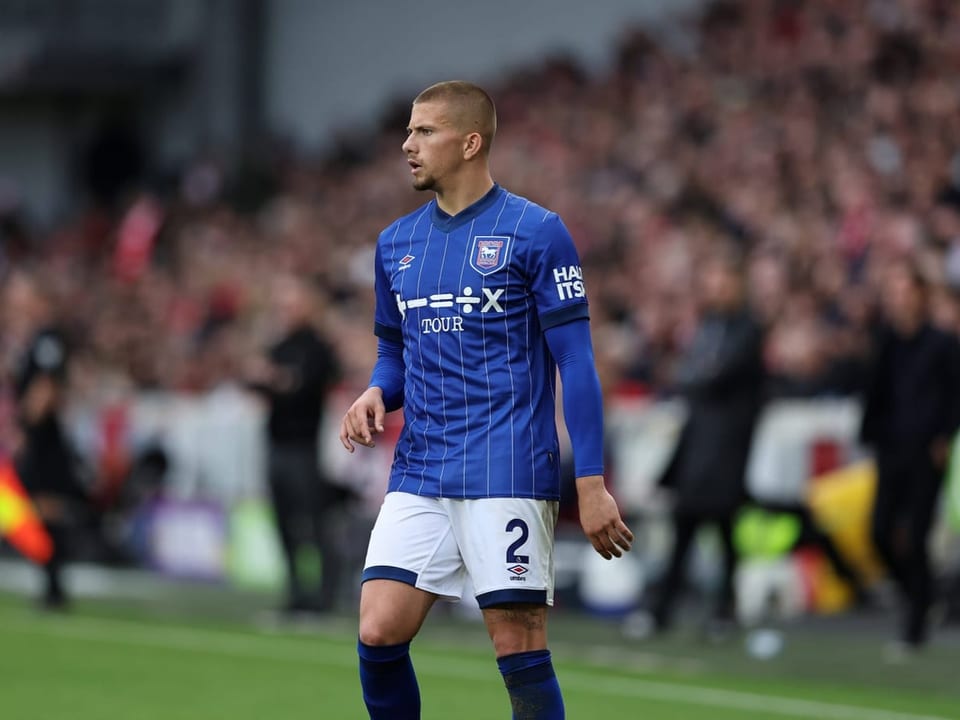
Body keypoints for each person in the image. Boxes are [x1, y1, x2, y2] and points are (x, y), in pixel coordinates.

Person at [339, 80, 633, 720]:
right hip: (420, 467)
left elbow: (576, 365)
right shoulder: (396, 244)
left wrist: (590, 480)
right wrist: (374, 392)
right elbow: (395, 350)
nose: (407, 144)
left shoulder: (536, 232)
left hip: (507, 467)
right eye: (409, 131)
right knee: (378, 629)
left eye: (425, 132)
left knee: (517, 645)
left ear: (470, 143)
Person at [637, 250, 764, 637]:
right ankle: (668, 611)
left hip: (726, 446)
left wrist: (692, 376)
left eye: (723, 281)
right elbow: (692, 373)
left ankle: (719, 611)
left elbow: (712, 376)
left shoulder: (747, 329)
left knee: (720, 531)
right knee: (688, 530)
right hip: (698, 443)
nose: (717, 289)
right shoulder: (709, 325)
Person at [860, 261, 960, 652]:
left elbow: (955, 395)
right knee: (879, 530)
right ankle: (920, 594)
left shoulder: (942, 343)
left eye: (906, 291)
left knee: (916, 535)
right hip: (892, 447)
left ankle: (915, 622)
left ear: (921, 296)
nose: (900, 300)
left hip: (925, 450)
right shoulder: (886, 342)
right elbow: (876, 393)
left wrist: (944, 437)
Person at [247, 274, 343, 615]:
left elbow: (299, 386)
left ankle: (324, 595)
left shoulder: (315, 346)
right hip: (278, 445)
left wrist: (274, 380)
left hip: (304, 447)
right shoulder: (280, 345)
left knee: (313, 523)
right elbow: (257, 380)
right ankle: (296, 592)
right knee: (285, 523)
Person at [4, 272, 87, 609]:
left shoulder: (47, 339)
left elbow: (46, 387)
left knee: (45, 506)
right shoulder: (30, 340)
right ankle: (51, 582)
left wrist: (25, 426)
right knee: (35, 506)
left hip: (44, 437)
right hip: (35, 435)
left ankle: (55, 584)